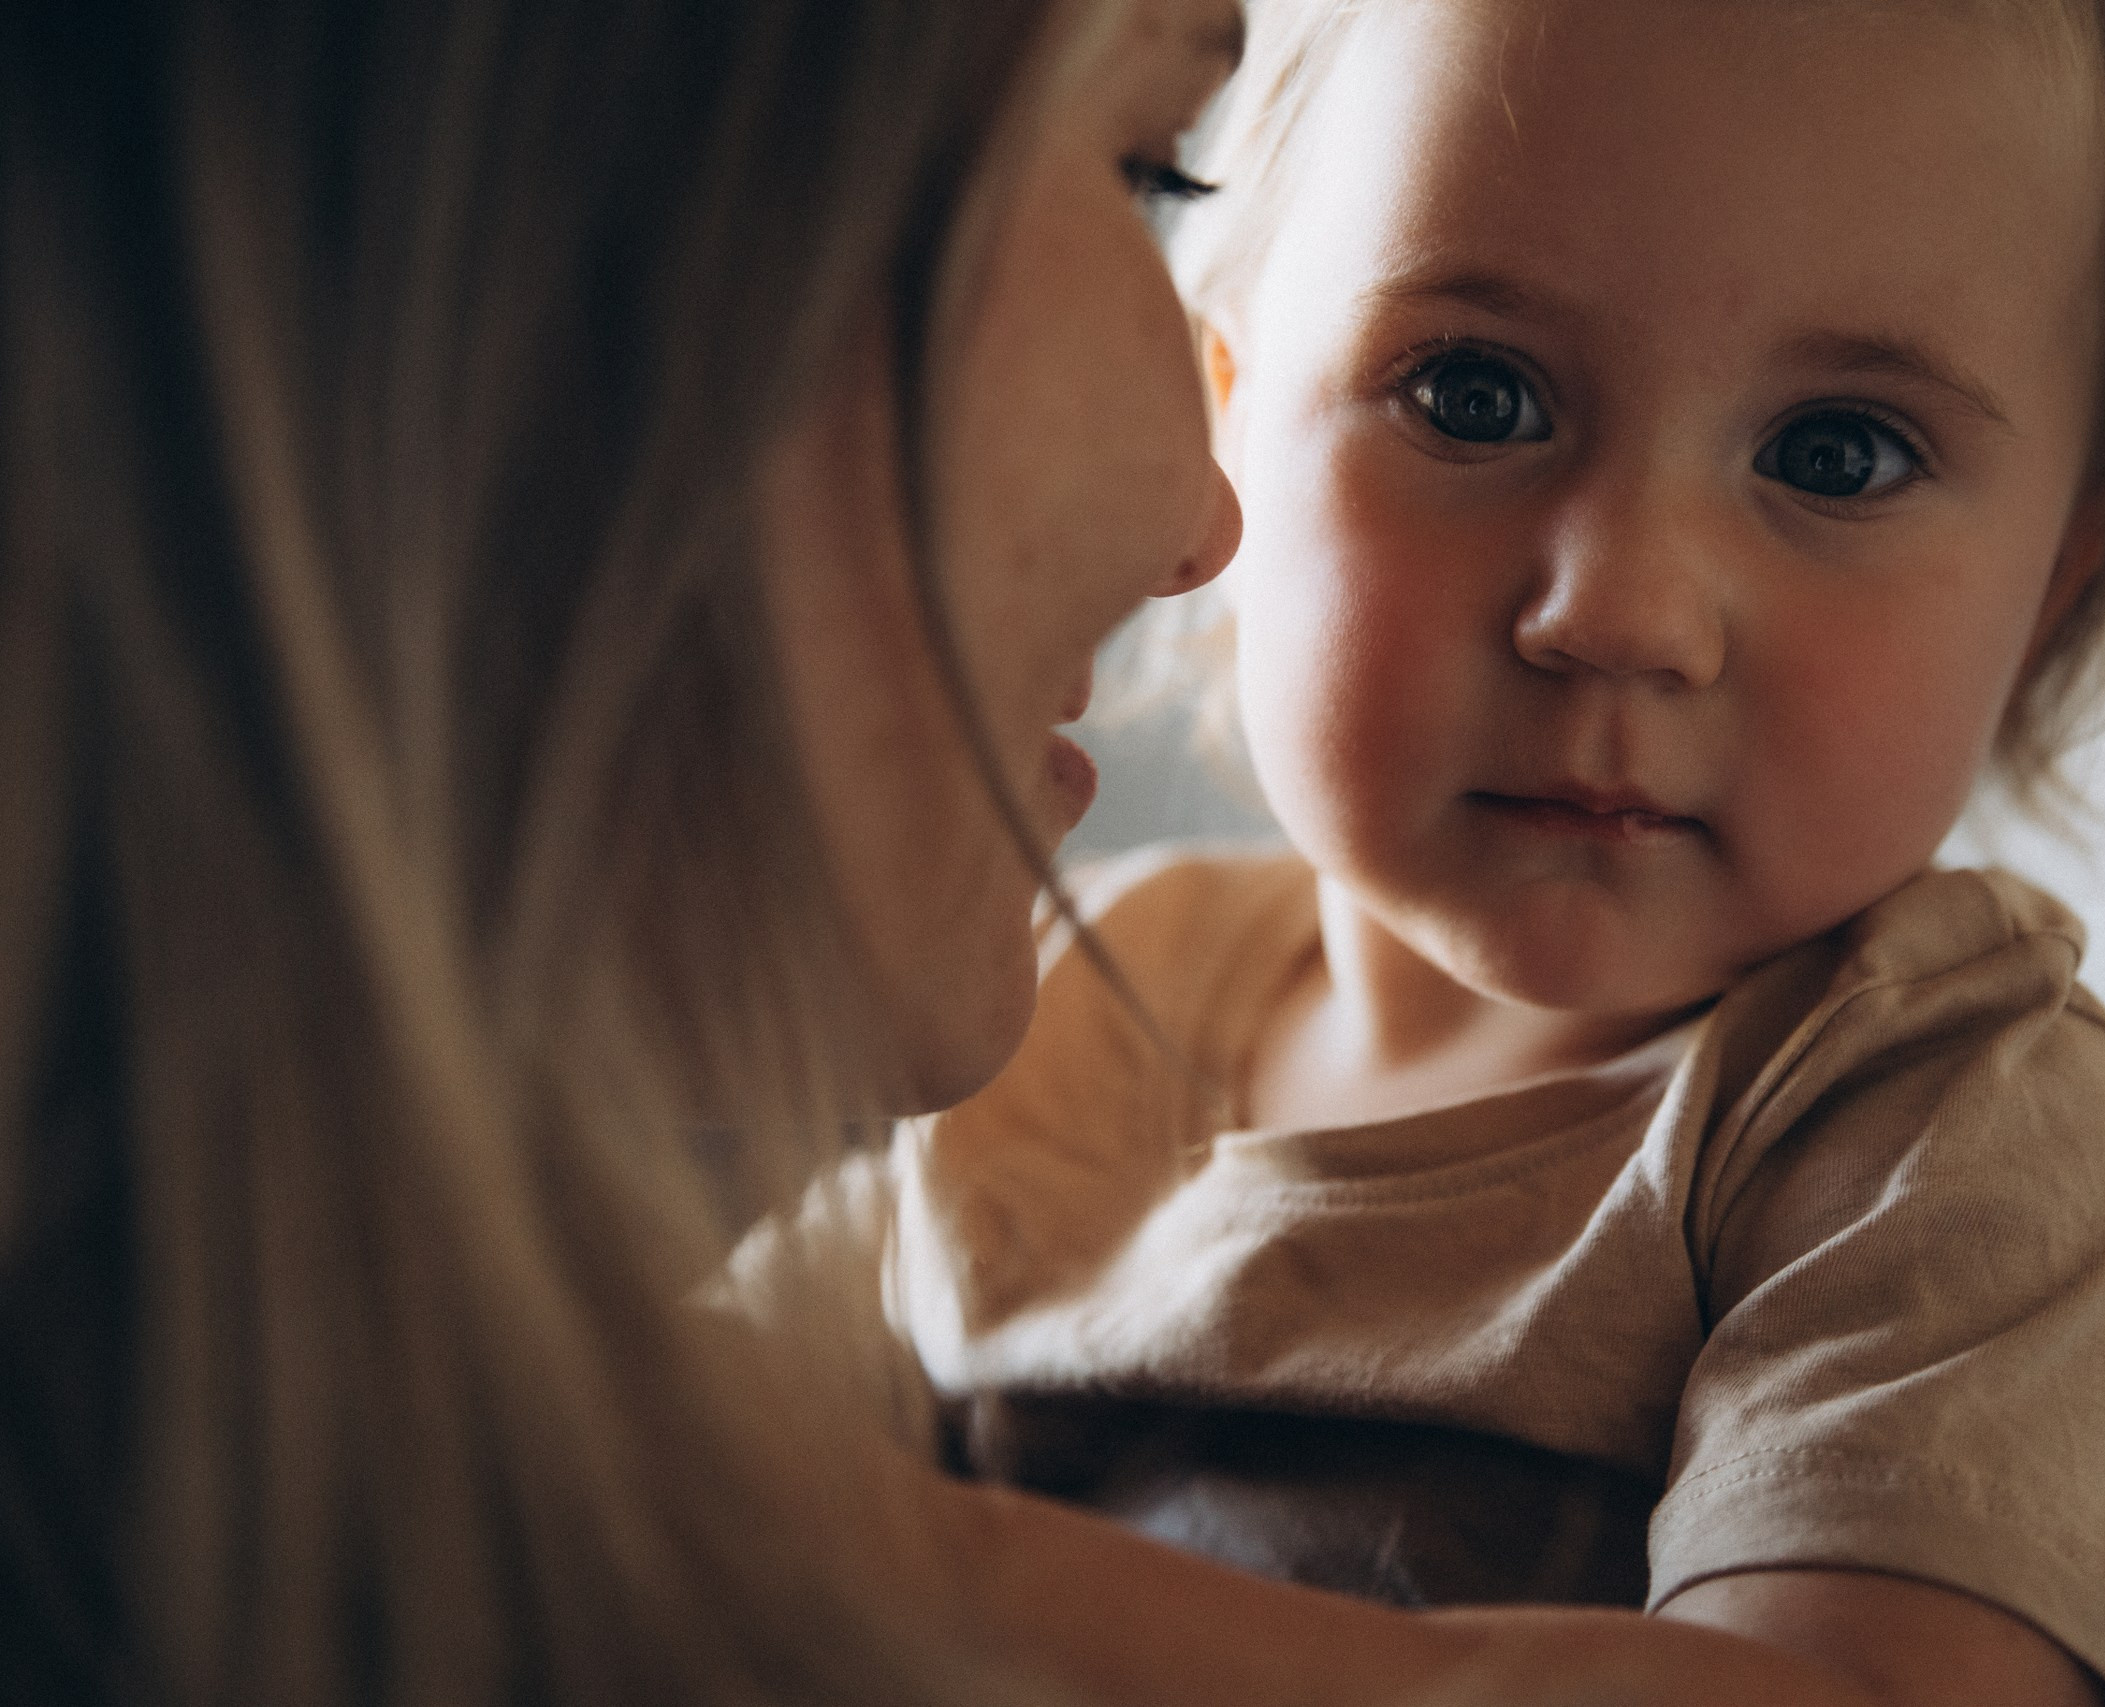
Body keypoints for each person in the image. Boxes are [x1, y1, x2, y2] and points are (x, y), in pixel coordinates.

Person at [5, 0, 1926, 1703]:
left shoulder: (1915, 1120)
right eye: (1472, 396)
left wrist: (850, 1555)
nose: (1202, 520)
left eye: (1837, 454)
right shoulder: (1115, 990)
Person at [820, 2, 2105, 1705]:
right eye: (1475, 394)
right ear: (1222, 439)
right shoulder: (1066, 1009)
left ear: (2051, 591)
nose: (1626, 614)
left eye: (1835, 453)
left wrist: (926, 1581)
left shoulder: (1949, 1143)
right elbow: (616, 1440)